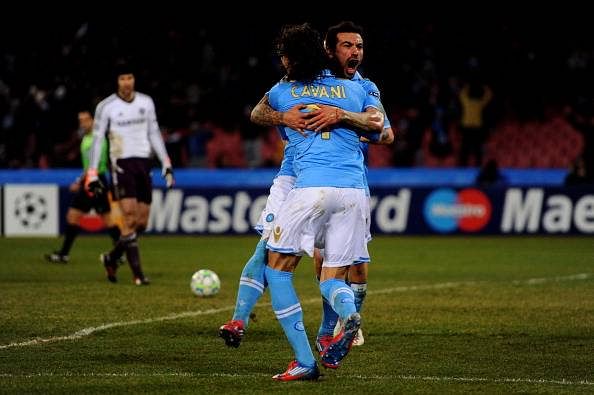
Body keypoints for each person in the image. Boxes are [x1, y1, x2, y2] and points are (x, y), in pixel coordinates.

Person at [219, 20, 390, 352]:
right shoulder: (293, 83)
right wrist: (284, 118)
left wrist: (341, 115)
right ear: (327, 51)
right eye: (347, 46)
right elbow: (259, 112)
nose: (355, 52)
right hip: (296, 178)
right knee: (271, 249)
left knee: (333, 262)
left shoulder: (363, 87)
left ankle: (327, 335)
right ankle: (240, 319)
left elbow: (384, 132)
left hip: (335, 177)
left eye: (359, 46)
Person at [266, 23, 384, 380]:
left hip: (310, 190)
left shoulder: (284, 91)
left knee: (277, 269)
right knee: (333, 278)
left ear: (290, 59)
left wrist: (280, 116)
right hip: (352, 193)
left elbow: (257, 113)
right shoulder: (353, 88)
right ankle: (347, 316)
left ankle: (303, 361)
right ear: (326, 51)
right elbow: (380, 127)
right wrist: (346, 116)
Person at [85, 62, 175, 286]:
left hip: (143, 164)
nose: (127, 82)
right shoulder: (106, 106)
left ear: (134, 79)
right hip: (121, 164)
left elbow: (154, 132)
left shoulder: (146, 102)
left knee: (142, 223)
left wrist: (165, 161)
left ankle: (111, 257)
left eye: (130, 77)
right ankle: (138, 274)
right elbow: (97, 140)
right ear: (117, 82)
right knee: (130, 218)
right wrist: (93, 172)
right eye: (122, 78)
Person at [45, 110, 121, 263]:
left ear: (93, 121)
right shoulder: (87, 138)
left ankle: (64, 254)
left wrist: (78, 181)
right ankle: (119, 252)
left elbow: (93, 166)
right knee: (96, 218)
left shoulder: (96, 139)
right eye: (80, 121)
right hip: (93, 180)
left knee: (98, 218)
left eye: (86, 120)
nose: (83, 123)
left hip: (95, 180)